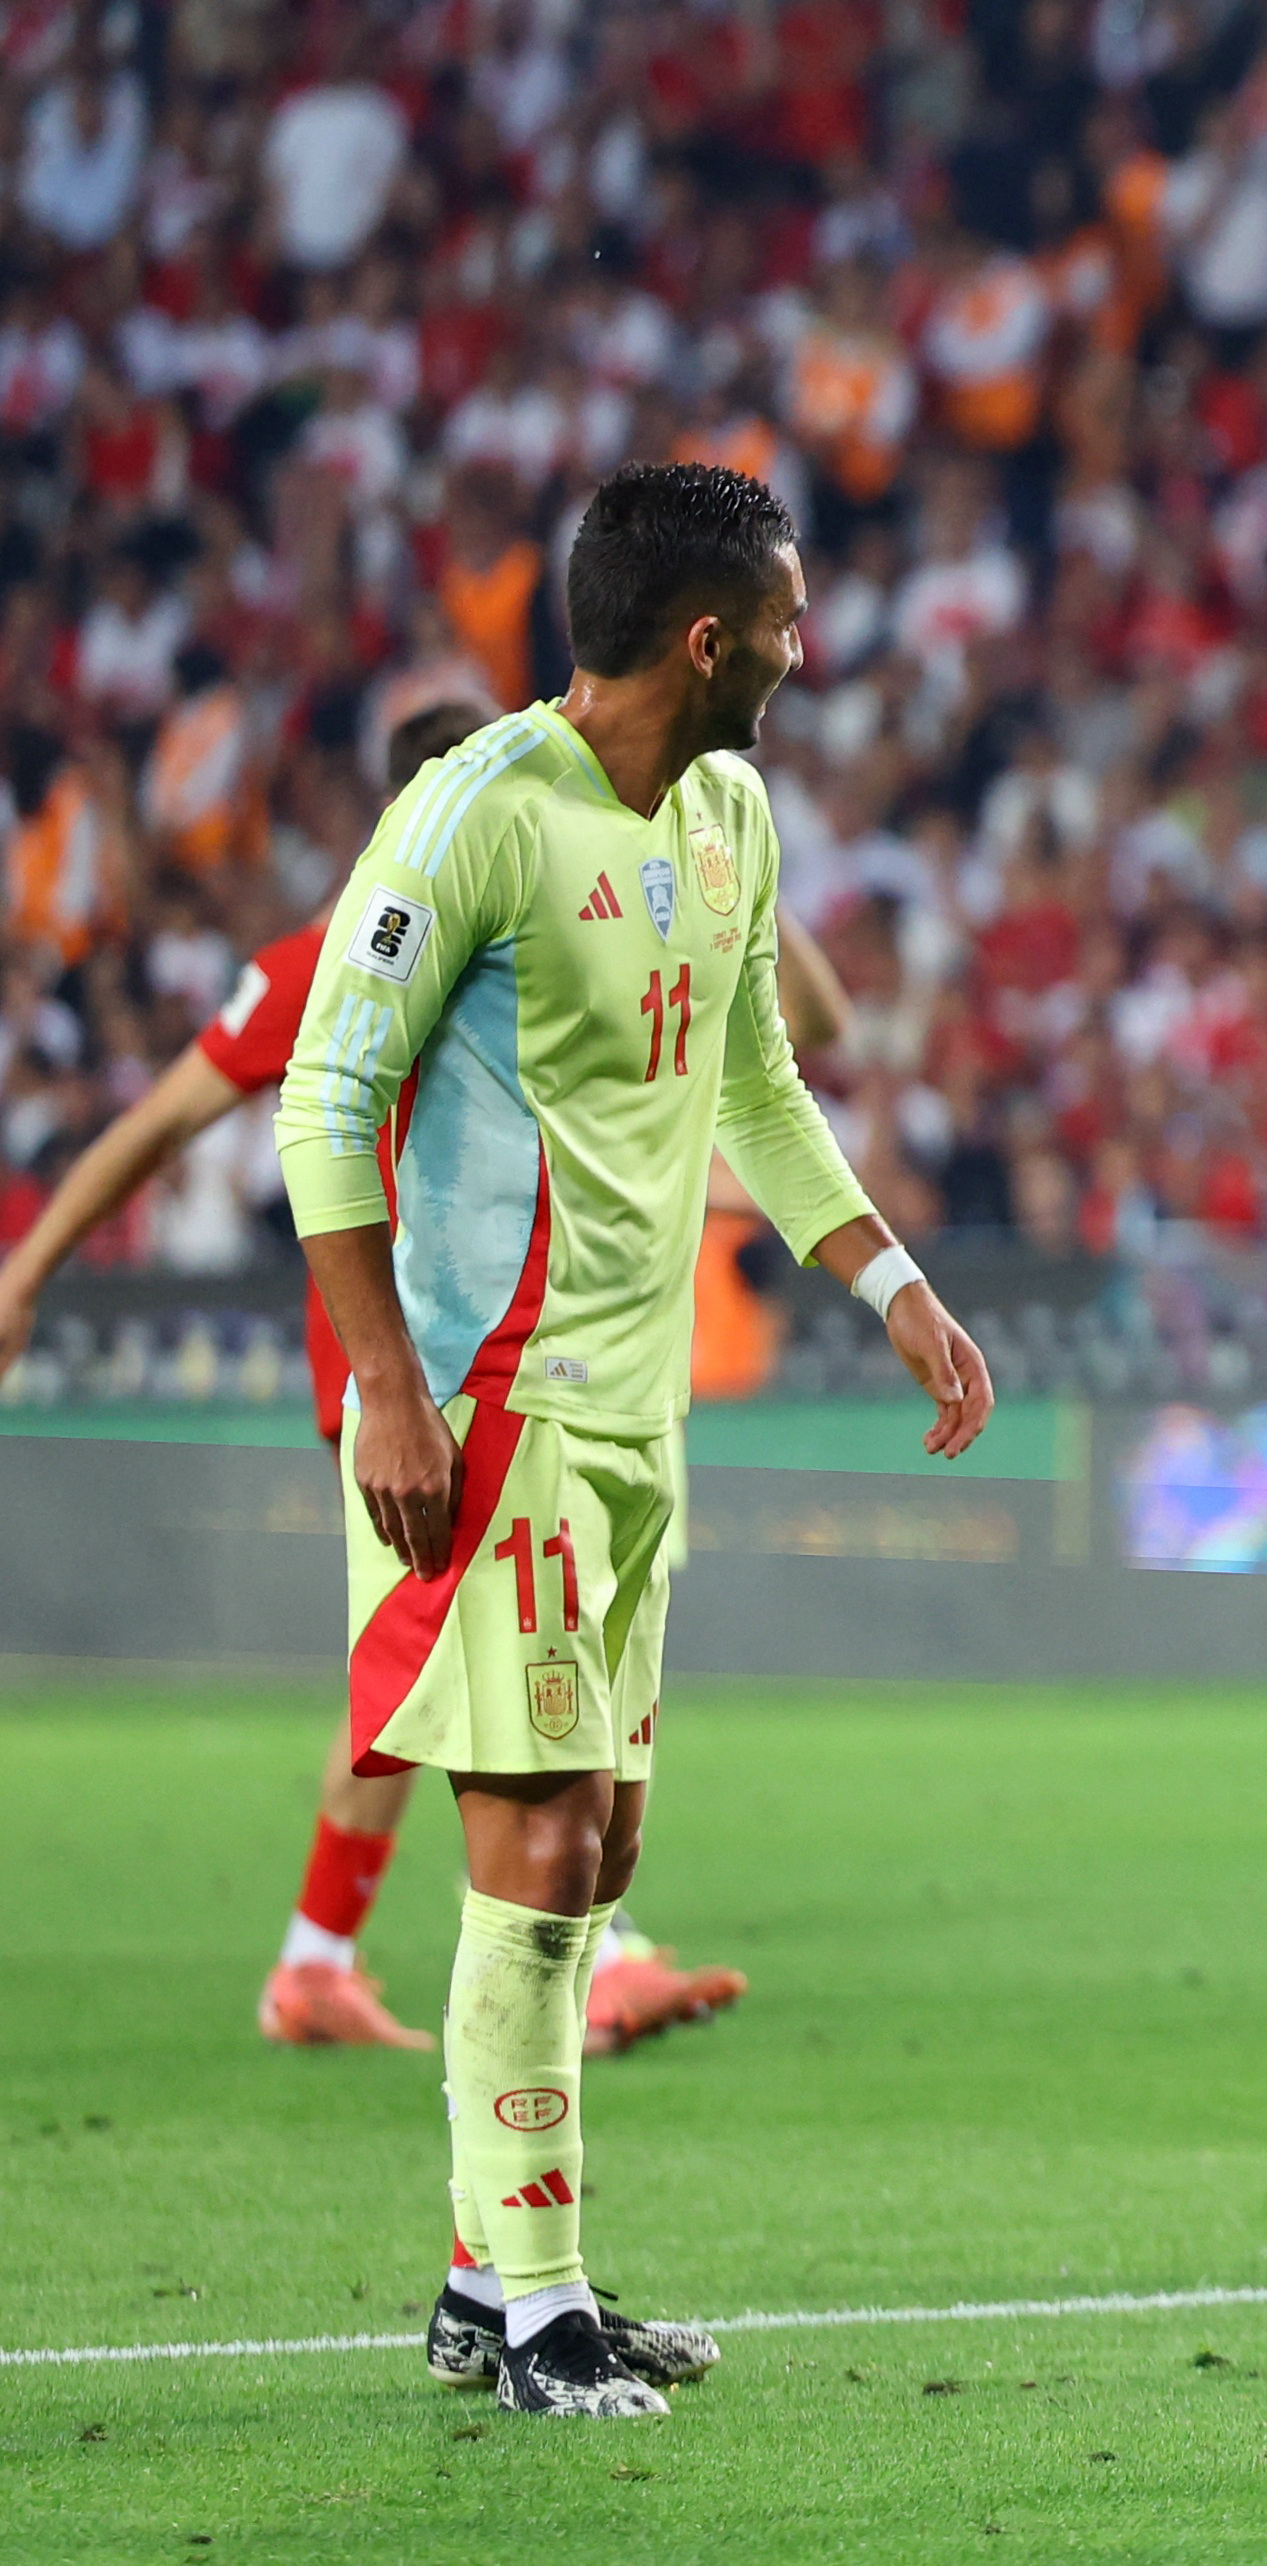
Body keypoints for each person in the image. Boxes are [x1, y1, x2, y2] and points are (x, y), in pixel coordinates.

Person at [273, 463, 995, 2416]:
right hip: (488, 1407)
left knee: (603, 1845)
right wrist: (391, 1391)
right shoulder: (479, 811)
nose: (802, 643)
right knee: (532, 1841)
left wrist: (891, 1281)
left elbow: (752, 1080)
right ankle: (536, 2307)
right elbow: (321, 1107)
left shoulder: (729, 810)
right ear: (707, 635)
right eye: (783, 614)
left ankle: (474, 2272)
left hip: (636, 1413)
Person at [0, 702, 834, 2057]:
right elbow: (159, 1125)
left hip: (517, 1364)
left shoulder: (553, 919)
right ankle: (562, 1961)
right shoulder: (344, 958)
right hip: (413, 1375)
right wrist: (26, 1268)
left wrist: (708, 820)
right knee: (491, 1668)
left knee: (419, 1677)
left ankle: (321, 1959)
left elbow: (812, 1025)